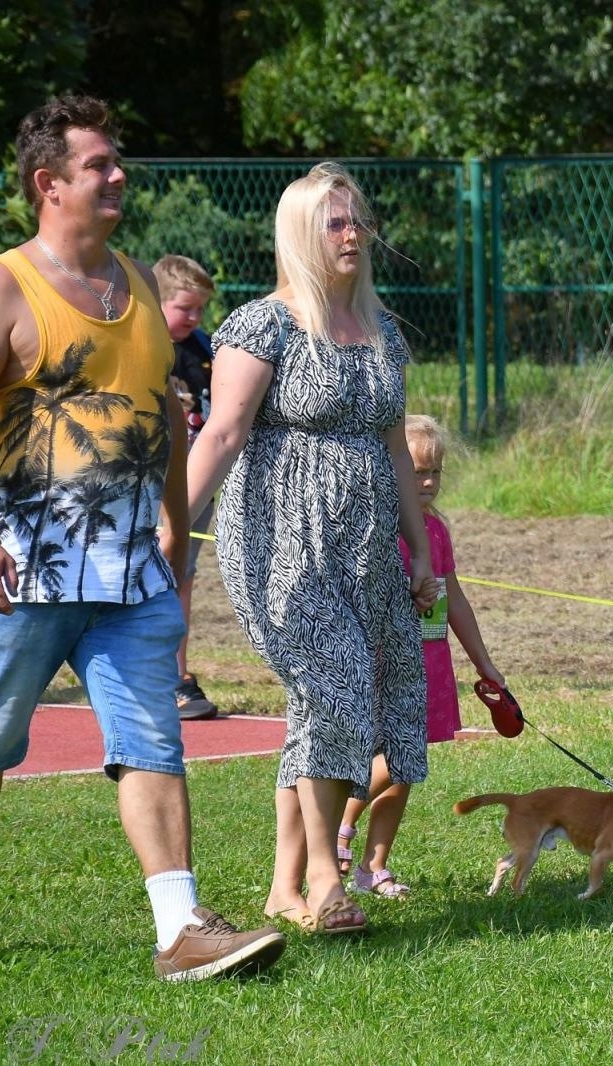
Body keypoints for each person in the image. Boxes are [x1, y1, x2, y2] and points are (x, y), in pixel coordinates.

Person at [0, 93, 285, 980]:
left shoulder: (136, 285)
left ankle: (180, 928)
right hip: (25, 573)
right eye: (99, 165)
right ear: (50, 184)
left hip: (129, 573)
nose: (118, 174)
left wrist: (175, 521)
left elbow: (161, 418)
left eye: (116, 160)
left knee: (150, 740)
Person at [171, 162, 437, 936]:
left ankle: (283, 887)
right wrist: (167, 530)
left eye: (358, 221)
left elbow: (395, 449)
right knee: (337, 688)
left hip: (367, 550)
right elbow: (220, 435)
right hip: (283, 544)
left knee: (341, 704)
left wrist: (419, 553)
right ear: (301, 234)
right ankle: (327, 883)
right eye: (336, 223)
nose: (354, 234)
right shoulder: (263, 325)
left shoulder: (383, 330)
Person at [336, 414, 506, 898]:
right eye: (417, 471)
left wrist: (483, 662)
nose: (428, 481)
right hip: (383, 657)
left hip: (429, 662)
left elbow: (456, 601)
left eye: (436, 471)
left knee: (406, 765)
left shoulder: (435, 531)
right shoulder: (375, 529)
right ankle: (340, 828)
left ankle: (374, 867)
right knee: (389, 754)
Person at [155, 254, 219, 720]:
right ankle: (148, 675)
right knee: (149, 572)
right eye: (184, 308)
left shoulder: (204, 348)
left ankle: (176, 675)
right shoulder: (143, 345)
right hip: (150, 480)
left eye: (200, 309)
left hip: (197, 480)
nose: (194, 318)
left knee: (181, 576)